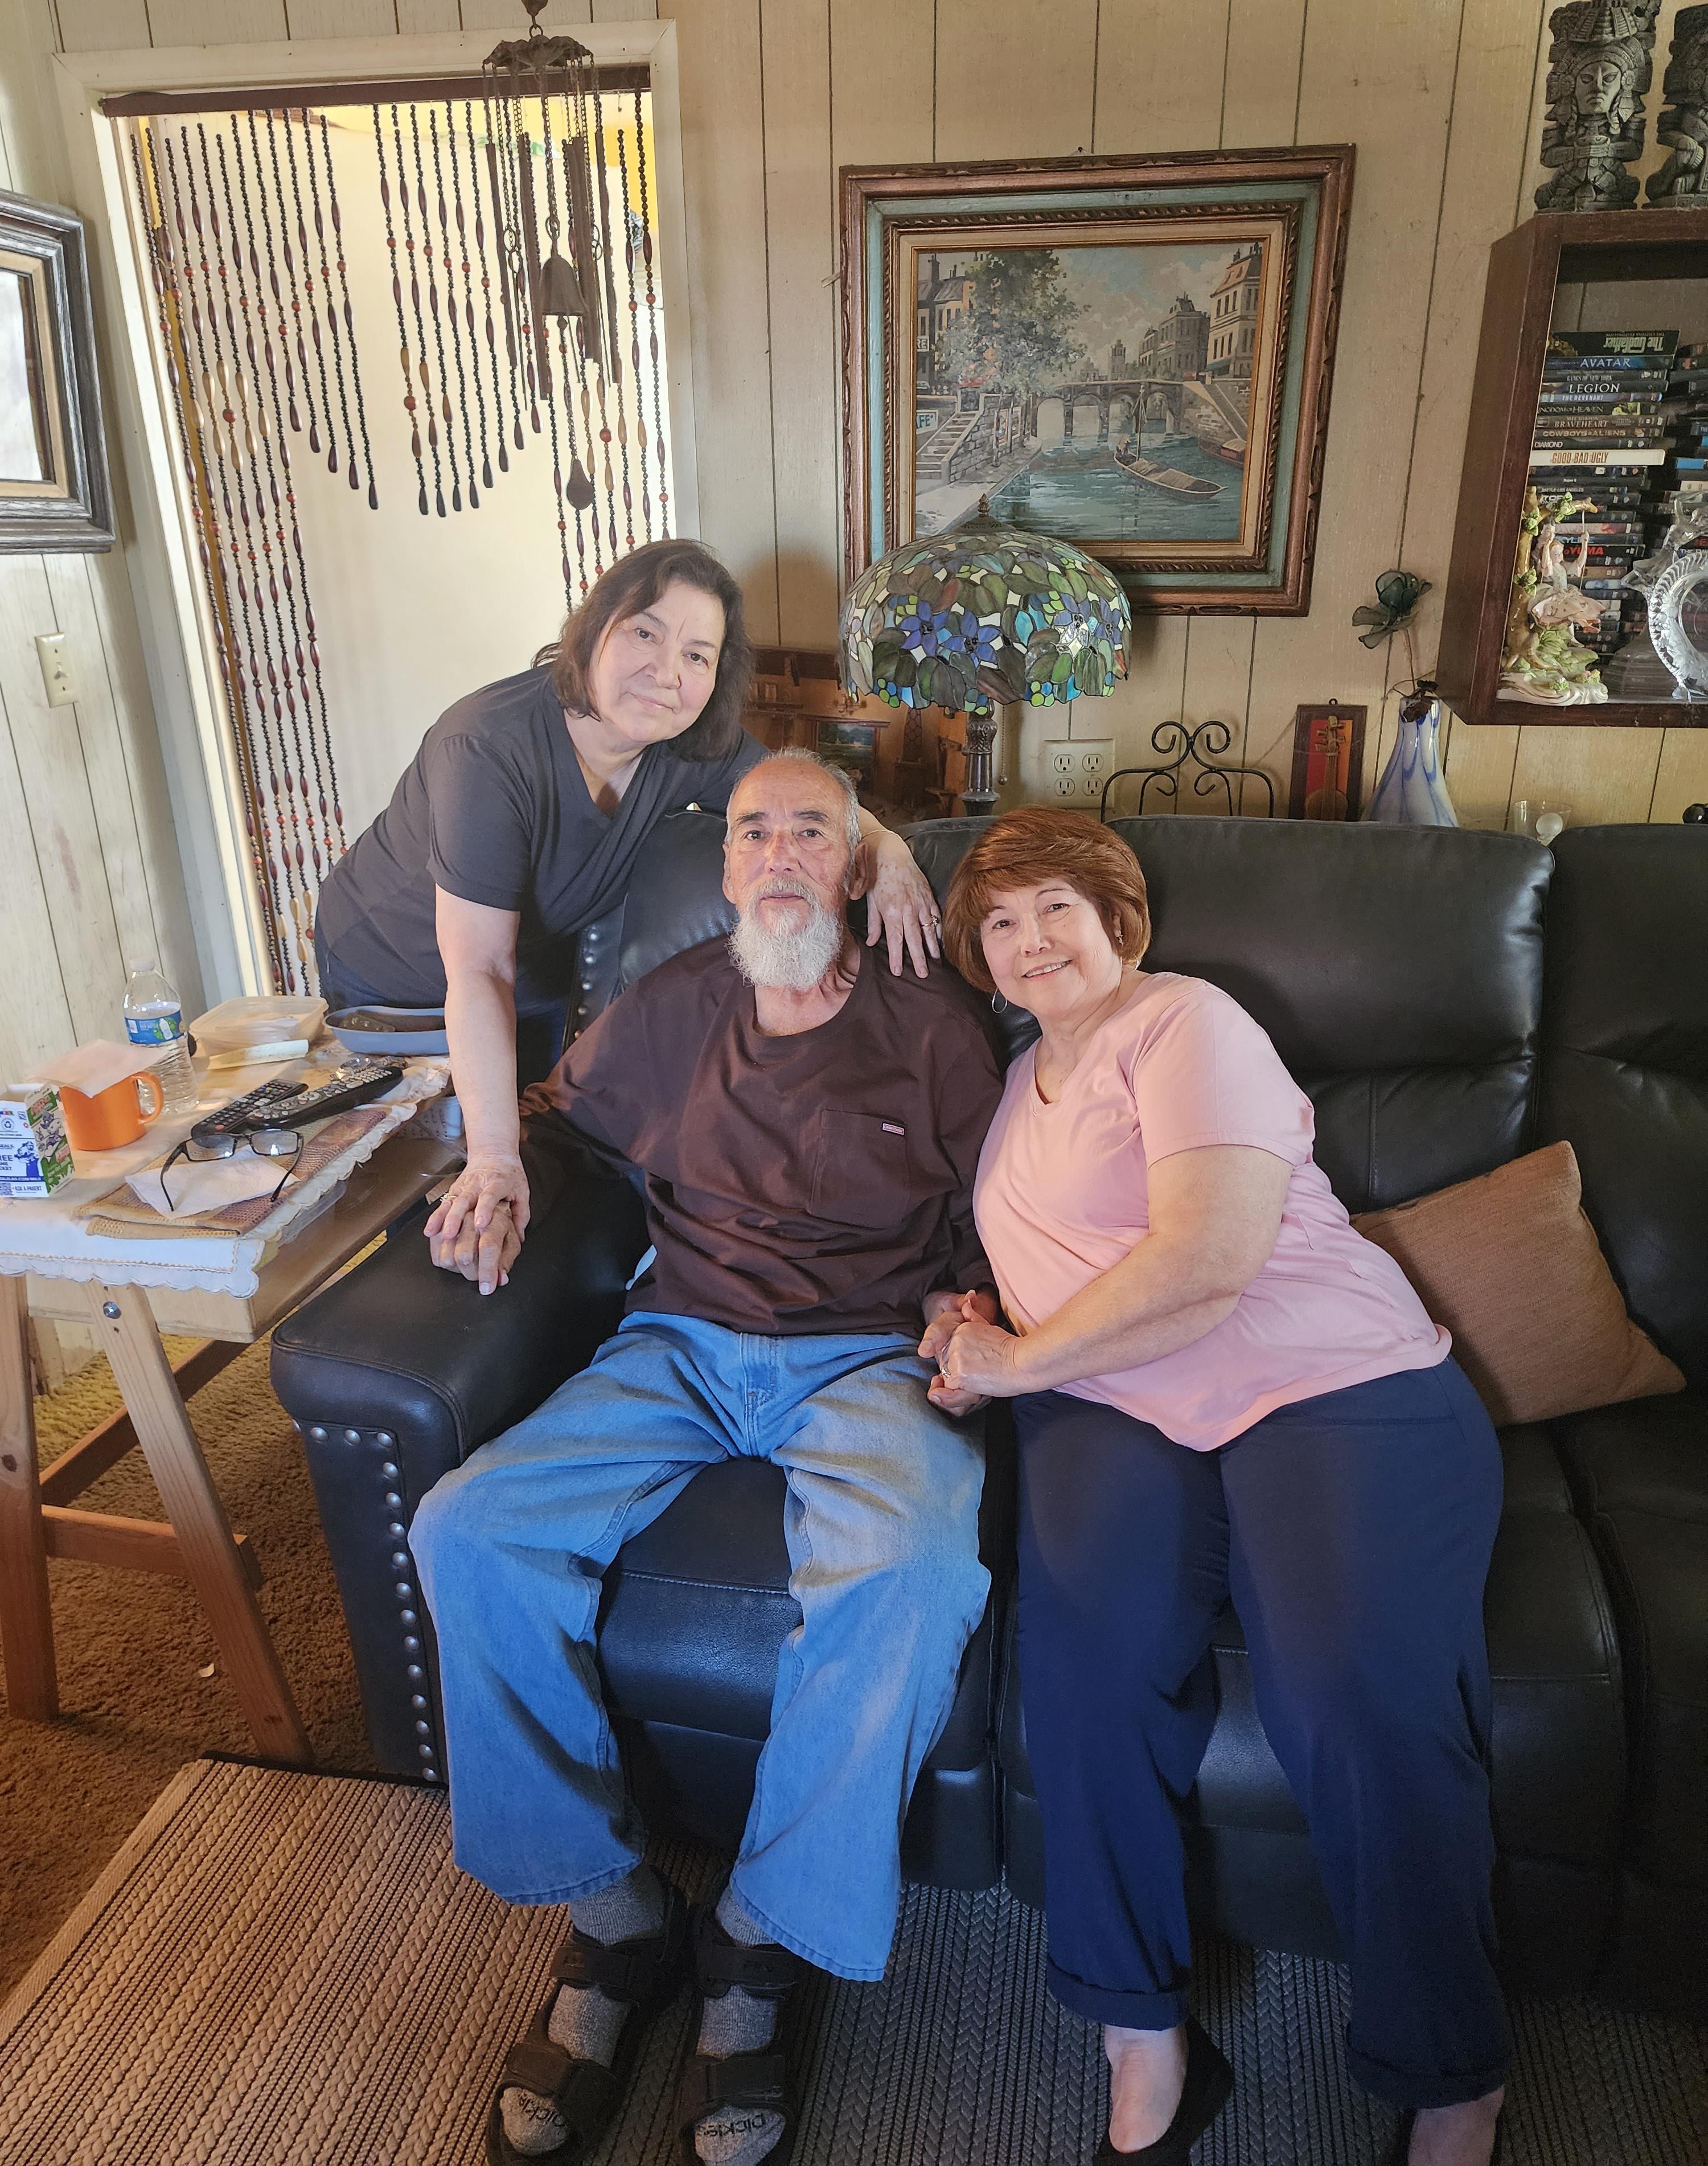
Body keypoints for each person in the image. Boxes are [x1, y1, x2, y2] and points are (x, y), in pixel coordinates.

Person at [408, 750, 1005, 2166]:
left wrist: (969, 1303)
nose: (780, 853)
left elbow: (1005, 1205)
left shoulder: (935, 1025)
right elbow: (551, 1117)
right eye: (754, 833)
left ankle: (759, 1934)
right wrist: (488, 1170)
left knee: (915, 1570)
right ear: (727, 866)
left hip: (866, 1353)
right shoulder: (673, 1003)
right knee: (464, 1527)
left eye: (812, 831)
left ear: (856, 864)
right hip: (675, 1342)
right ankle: (616, 1909)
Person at [930, 809, 1507, 2166]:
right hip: (1117, 1401)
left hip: (1328, 1377)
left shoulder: (1186, 1021)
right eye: (1001, 921)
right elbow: (1041, 1262)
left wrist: (1014, 1364)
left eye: (1058, 906)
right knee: (1085, 1666)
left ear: (1119, 918)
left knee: (1349, 1681)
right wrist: (968, 1324)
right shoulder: (1014, 1083)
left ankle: (1451, 2071)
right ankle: (1141, 2032)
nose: (1031, 939)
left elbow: (1207, 1255)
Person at [312, 539, 942, 1276]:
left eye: (698, 655)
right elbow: (478, 969)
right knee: (435, 1178)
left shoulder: (687, 742)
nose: (667, 673)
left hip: (524, 979)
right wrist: (492, 1156)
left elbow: (799, 796)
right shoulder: (486, 746)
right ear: (595, 628)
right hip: (396, 980)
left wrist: (887, 849)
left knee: (525, 1162)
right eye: (646, 632)